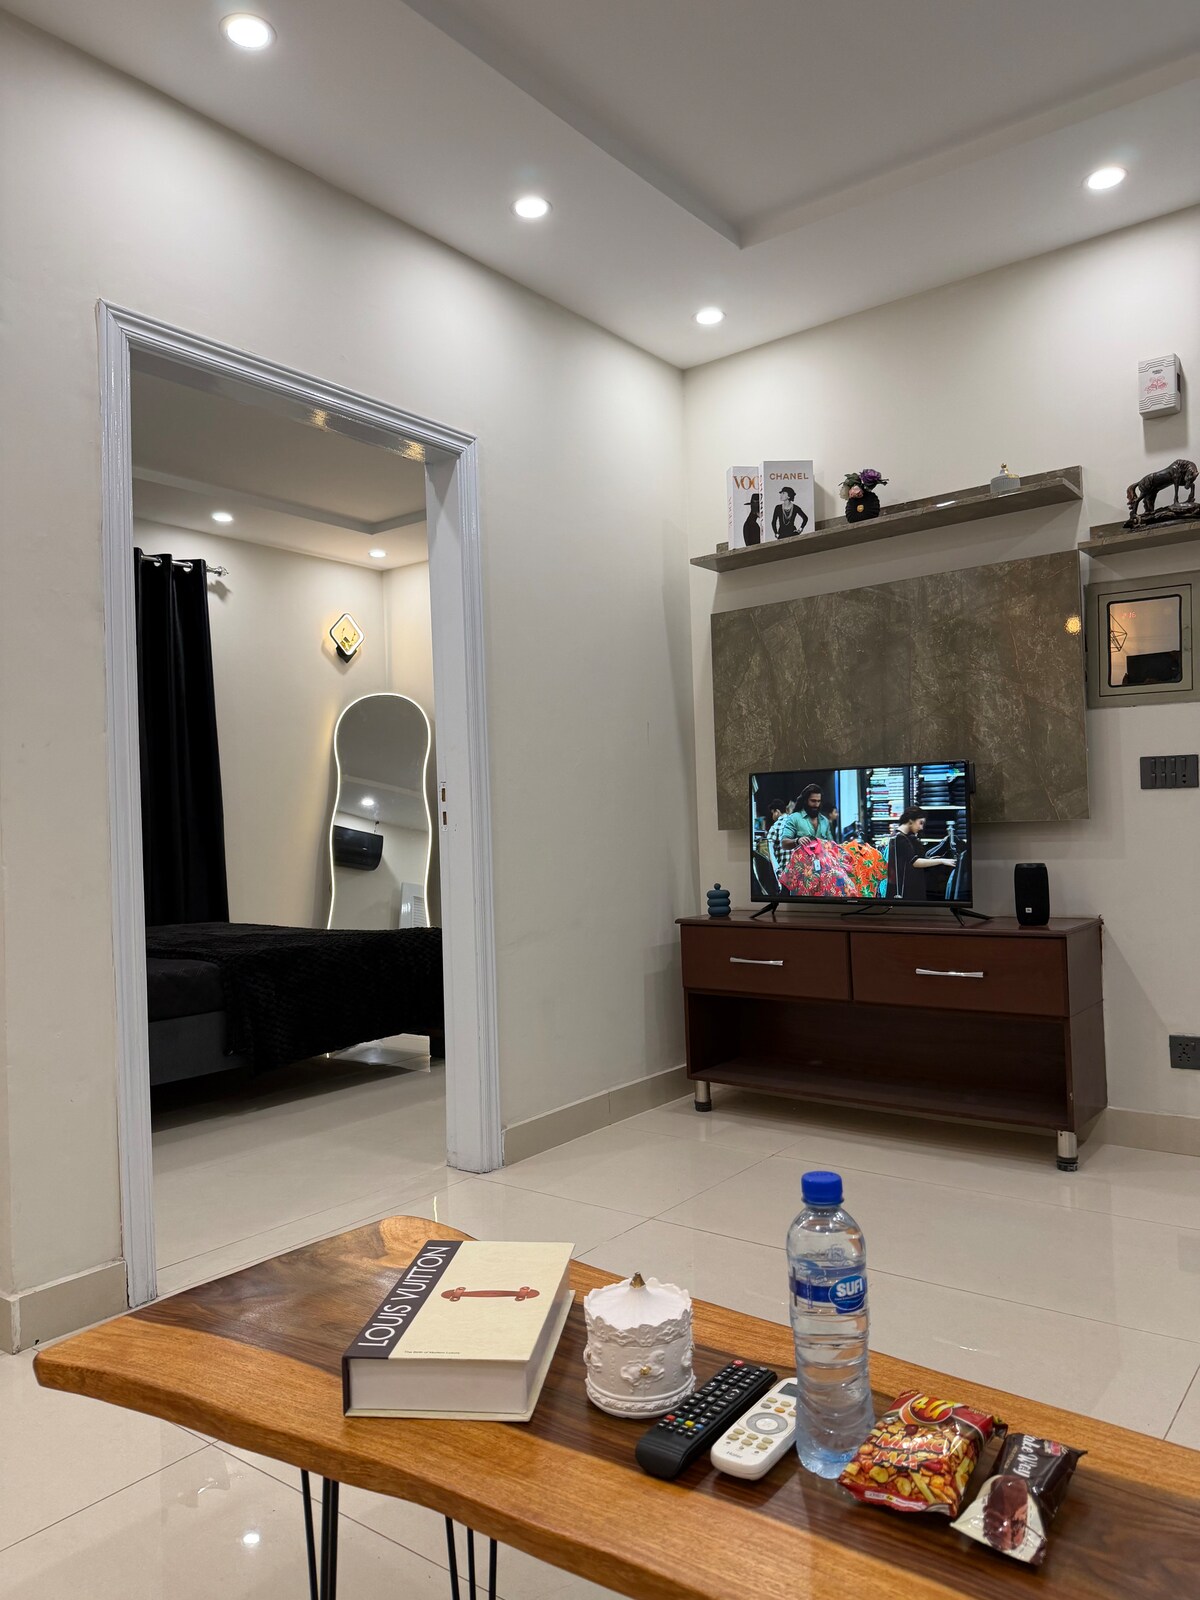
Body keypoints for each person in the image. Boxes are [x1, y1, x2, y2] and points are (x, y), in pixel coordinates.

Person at [885, 807, 954, 900]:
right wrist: (942, 861)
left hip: (908, 887)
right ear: (910, 821)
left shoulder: (904, 837)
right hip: (906, 890)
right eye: (920, 823)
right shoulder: (900, 839)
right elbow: (915, 862)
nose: (921, 827)